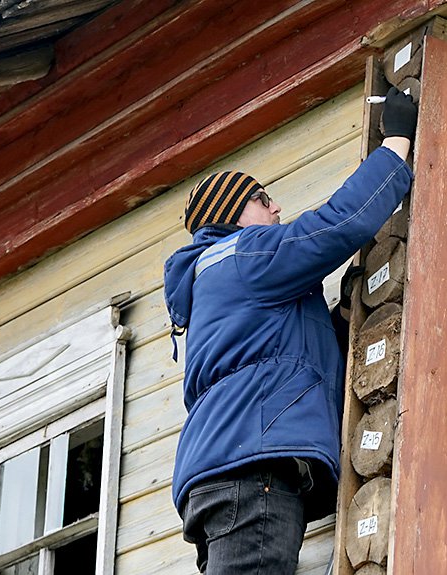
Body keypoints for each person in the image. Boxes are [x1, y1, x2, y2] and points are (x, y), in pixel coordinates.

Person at [162, 86, 417, 575]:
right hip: (251, 471)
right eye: (261, 199)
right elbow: (334, 226)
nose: (275, 208)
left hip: (226, 472)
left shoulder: (214, 282)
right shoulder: (243, 256)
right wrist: (396, 145)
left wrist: (344, 319)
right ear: (231, 216)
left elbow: (286, 354)